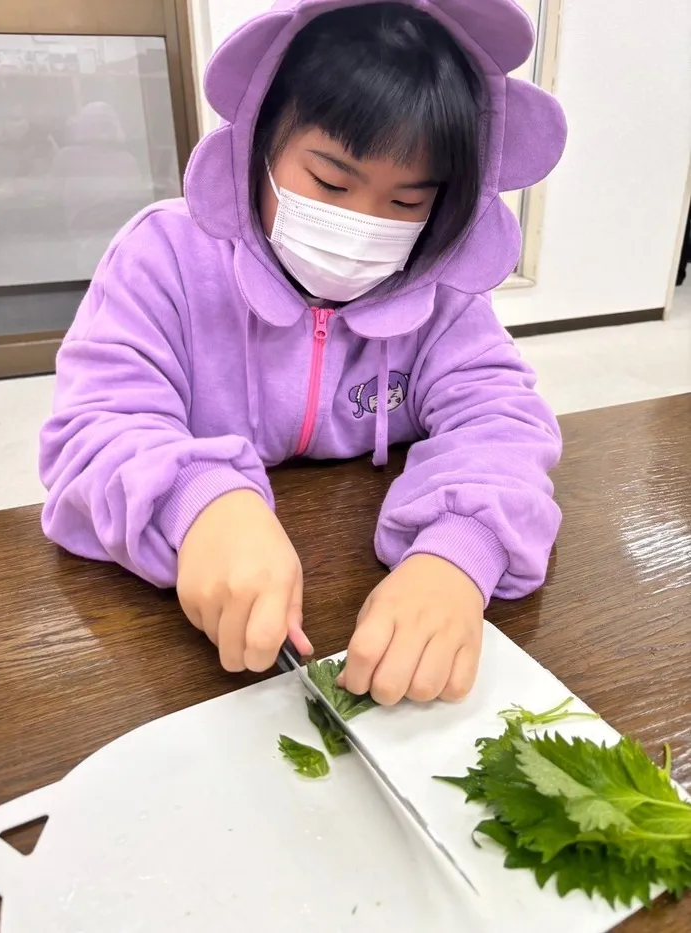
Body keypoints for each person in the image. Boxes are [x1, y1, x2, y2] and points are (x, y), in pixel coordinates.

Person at [39, 0, 567, 707]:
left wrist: (459, 553)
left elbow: (504, 419)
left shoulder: (440, 291)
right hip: (170, 655)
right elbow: (93, 428)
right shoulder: (163, 256)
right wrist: (200, 507)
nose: (364, 223)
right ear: (260, 138)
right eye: (330, 182)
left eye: (408, 201)